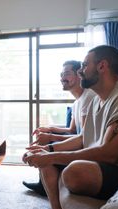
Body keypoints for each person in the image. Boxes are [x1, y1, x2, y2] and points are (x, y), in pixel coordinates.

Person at [23, 45, 118, 209]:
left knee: (75, 172)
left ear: (102, 66)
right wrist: (47, 150)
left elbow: (109, 154)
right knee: (47, 163)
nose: (81, 71)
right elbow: (83, 138)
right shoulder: (96, 100)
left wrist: (52, 155)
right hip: (106, 164)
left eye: (84, 65)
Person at [22, 60, 95, 196]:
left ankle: (44, 183)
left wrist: (50, 137)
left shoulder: (88, 97)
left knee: (47, 146)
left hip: (85, 147)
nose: (62, 78)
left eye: (66, 74)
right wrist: (49, 129)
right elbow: (72, 130)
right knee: (46, 140)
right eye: (61, 74)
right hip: (79, 140)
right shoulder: (77, 102)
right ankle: (42, 184)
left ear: (80, 74)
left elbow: (83, 137)